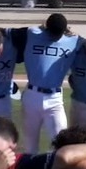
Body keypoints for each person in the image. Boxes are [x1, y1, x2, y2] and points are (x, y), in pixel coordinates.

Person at [12, 13, 79, 151]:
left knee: (62, 142)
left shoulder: (75, 40)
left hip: (55, 99)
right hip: (31, 95)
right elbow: (0, 32)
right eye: (53, 33)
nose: (55, 37)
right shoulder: (32, 33)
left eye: (59, 33)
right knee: (30, 145)